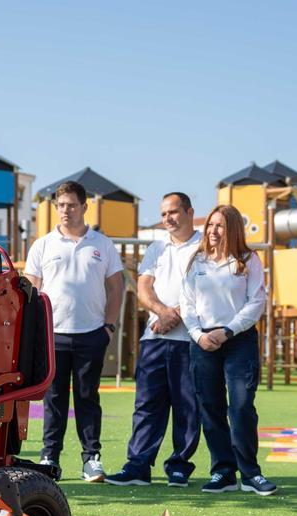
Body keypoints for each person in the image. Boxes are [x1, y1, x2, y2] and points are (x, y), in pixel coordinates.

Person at [24, 180, 124, 482]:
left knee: (87, 397)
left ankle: (91, 459)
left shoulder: (102, 244)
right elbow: (30, 290)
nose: (65, 210)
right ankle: (49, 457)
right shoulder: (42, 244)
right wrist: (35, 332)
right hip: (53, 335)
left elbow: (116, 286)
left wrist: (109, 326)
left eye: (71, 205)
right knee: (53, 398)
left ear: (84, 206)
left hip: (92, 333)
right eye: (61, 205)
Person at [105, 192, 201, 488]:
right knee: (146, 404)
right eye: (163, 214)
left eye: (173, 212)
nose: (168, 219)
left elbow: (207, 291)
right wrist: (162, 312)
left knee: (187, 405)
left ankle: (179, 466)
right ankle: (138, 466)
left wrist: (177, 316)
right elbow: (145, 288)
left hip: (190, 339)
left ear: (188, 212)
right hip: (155, 337)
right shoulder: (156, 249)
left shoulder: (206, 247)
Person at [180, 204, 276, 496]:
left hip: (239, 340)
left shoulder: (248, 260)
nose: (212, 231)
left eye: (219, 226)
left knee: (242, 404)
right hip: (203, 342)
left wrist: (228, 330)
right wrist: (198, 335)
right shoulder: (196, 261)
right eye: (210, 225)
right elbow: (188, 304)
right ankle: (223, 471)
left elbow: (256, 303)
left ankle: (250, 473)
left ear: (232, 229)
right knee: (211, 408)